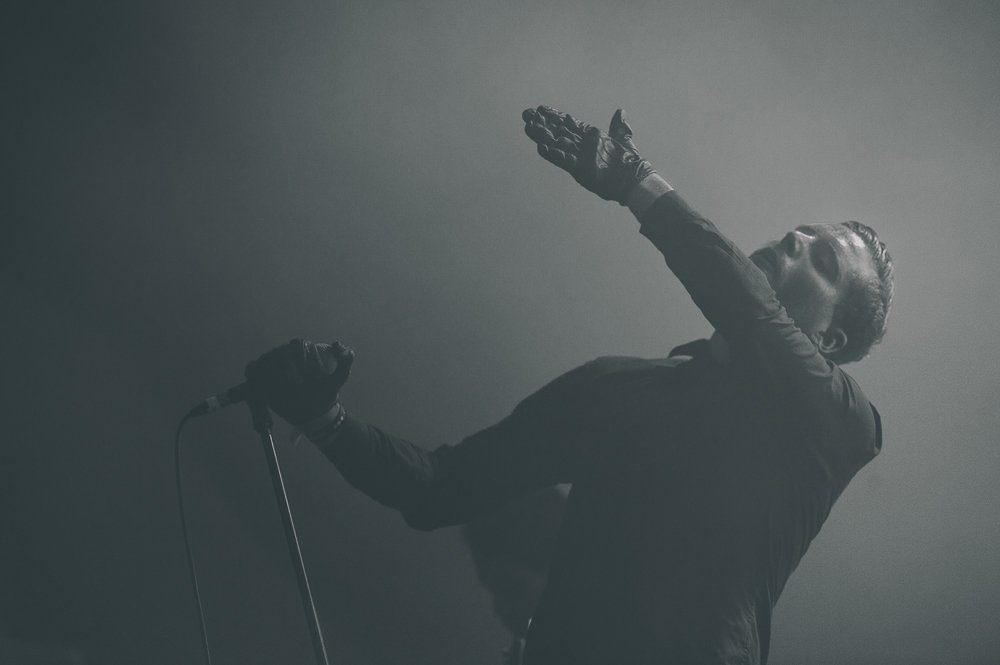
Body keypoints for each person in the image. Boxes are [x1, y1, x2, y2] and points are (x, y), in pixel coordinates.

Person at [244, 105, 894, 665]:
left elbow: (749, 309)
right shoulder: (619, 387)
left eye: (824, 259)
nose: (795, 237)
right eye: (803, 231)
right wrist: (323, 418)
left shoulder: (840, 426)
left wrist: (638, 183)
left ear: (830, 341)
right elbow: (440, 487)